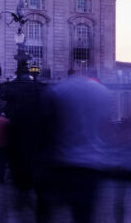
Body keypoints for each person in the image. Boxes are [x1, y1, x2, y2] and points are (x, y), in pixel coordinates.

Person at [38, 73, 113, 223]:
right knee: (83, 213)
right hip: (92, 164)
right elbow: (106, 129)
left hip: (62, 162)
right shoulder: (103, 91)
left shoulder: (57, 90)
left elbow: (46, 128)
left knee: (49, 210)